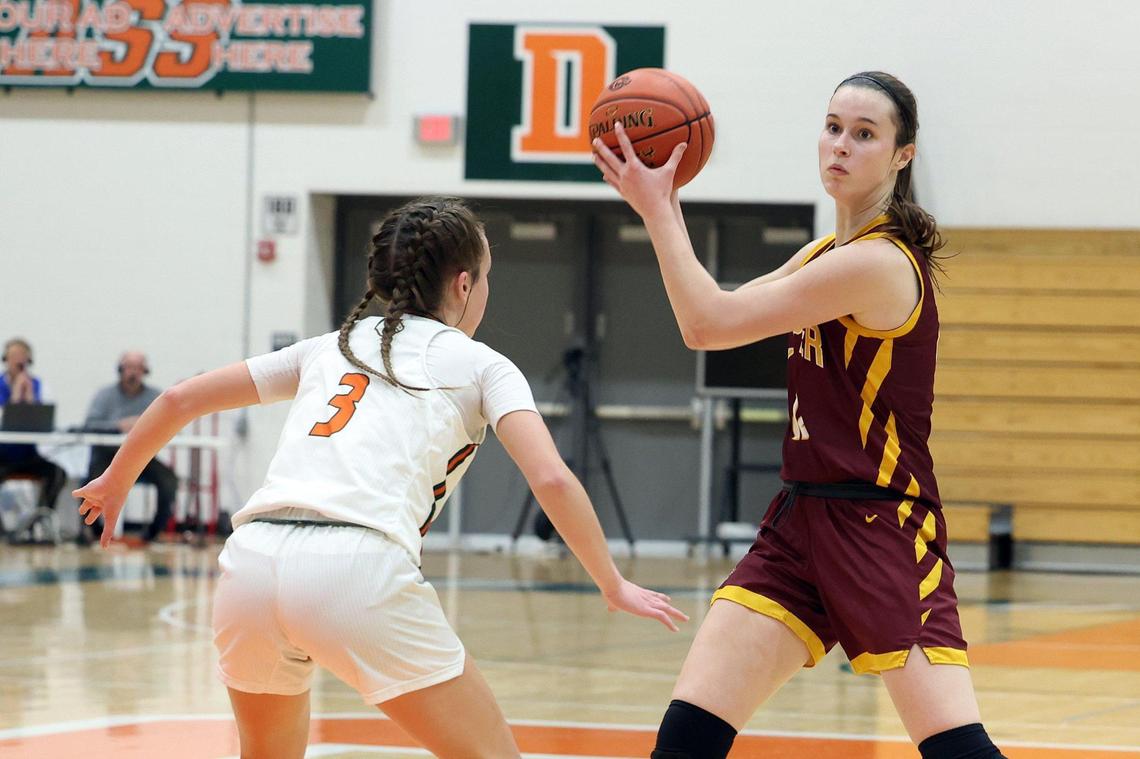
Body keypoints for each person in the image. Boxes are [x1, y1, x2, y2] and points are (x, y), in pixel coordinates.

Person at [75, 196, 688, 759]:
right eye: (488, 281)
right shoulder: (483, 364)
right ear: (465, 283)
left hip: (252, 561)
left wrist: (114, 480)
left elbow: (182, 397)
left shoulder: (327, 347)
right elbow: (551, 480)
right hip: (355, 564)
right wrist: (610, 582)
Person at [594, 72, 1007, 759]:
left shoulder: (879, 263)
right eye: (833, 126)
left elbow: (706, 323)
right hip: (799, 523)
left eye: (865, 134)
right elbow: (714, 310)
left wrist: (659, 208)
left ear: (902, 156)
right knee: (686, 736)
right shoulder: (824, 254)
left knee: (956, 749)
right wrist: (659, 207)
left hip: (879, 525)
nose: (840, 145)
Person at [81, 351, 179, 544]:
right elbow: (89, 424)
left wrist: (143, 426)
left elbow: (170, 423)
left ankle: (151, 534)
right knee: (90, 481)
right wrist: (118, 426)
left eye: (138, 368)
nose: (132, 373)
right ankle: (94, 532)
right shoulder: (105, 395)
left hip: (141, 457)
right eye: (129, 368)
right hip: (107, 456)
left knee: (169, 480)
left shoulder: (155, 396)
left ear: (145, 371)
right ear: (120, 370)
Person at [0, 338, 67, 535]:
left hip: (28, 454)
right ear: (6, 359)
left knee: (57, 474)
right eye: (14, 357)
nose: (18, 362)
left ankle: (38, 520)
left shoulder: (39, 386)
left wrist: (30, 400)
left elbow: (46, 424)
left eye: (23, 358)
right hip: (3, 454)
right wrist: (14, 397)